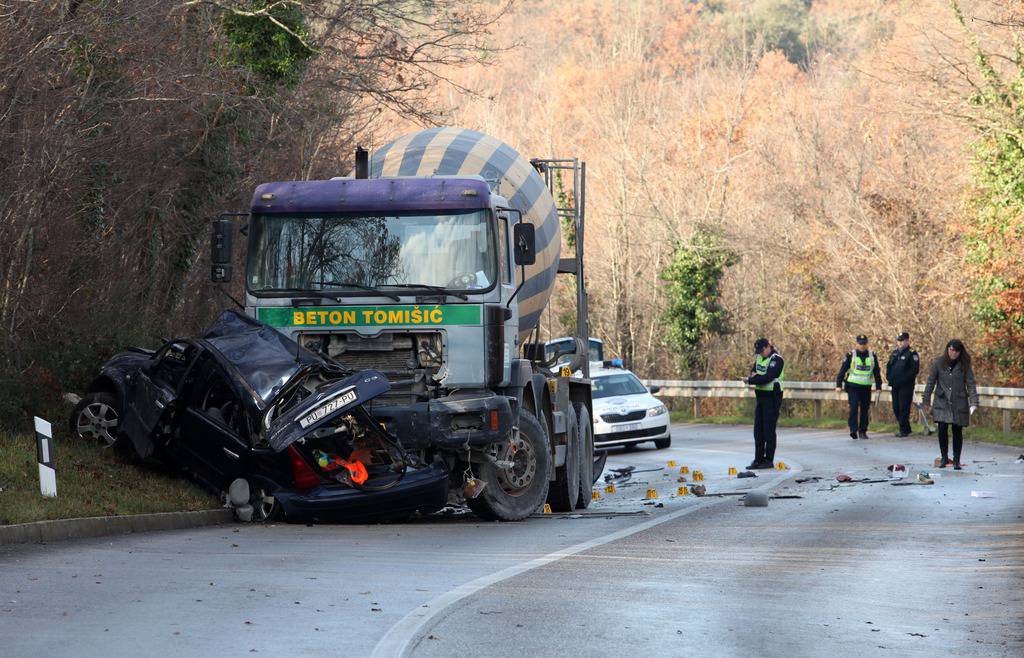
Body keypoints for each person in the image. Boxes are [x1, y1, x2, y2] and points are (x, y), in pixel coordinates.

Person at [922, 339, 979, 469]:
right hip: (942, 401)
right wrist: (926, 399)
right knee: (942, 429)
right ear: (947, 349)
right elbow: (931, 382)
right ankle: (944, 458)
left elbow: (970, 383)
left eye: (956, 351)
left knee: (957, 430)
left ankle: (957, 460)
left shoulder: (965, 365)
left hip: (959, 401)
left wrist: (974, 402)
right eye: (951, 350)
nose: (953, 353)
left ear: (960, 352)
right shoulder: (938, 363)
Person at [742, 337, 785, 469]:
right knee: (758, 431)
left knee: (768, 430)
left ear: (768, 346)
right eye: (758, 351)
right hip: (760, 397)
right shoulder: (760, 358)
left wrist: (752, 380)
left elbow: (767, 377)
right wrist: (754, 378)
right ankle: (758, 460)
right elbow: (754, 373)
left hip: (772, 398)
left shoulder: (777, 360)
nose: (760, 353)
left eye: (762, 350)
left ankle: (768, 460)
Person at [835, 334, 882, 439]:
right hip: (853, 386)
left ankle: (863, 431)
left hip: (866, 387)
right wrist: (838, 385)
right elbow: (842, 371)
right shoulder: (851, 355)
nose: (862, 346)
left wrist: (879, 387)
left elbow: (877, 373)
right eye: (860, 344)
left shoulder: (872, 355)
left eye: (864, 343)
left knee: (865, 409)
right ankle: (853, 429)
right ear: (856, 344)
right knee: (854, 407)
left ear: (867, 344)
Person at [885, 331, 920, 437]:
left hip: (906, 385)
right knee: (896, 407)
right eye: (899, 341)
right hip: (895, 385)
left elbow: (914, 370)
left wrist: (903, 379)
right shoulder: (894, 353)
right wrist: (889, 377)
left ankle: (903, 430)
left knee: (903, 407)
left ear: (907, 341)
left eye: (902, 341)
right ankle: (906, 428)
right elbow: (889, 367)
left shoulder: (912, 353)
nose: (900, 343)